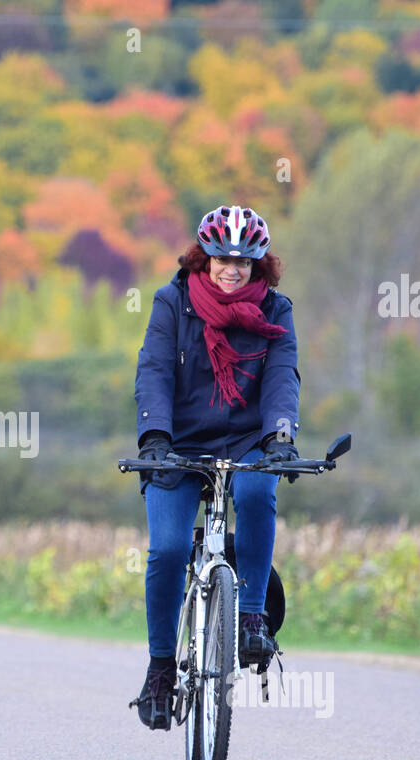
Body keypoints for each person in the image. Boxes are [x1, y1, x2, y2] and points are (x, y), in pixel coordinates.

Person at [132, 204, 300, 730]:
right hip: (177, 442)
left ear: (259, 266)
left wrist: (279, 436)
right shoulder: (171, 303)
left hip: (247, 438)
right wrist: (154, 437)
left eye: (244, 262)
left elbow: (282, 376)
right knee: (168, 549)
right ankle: (161, 667)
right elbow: (155, 371)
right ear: (203, 258)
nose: (232, 270)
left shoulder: (276, 310)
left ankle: (251, 614)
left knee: (255, 493)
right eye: (223, 259)